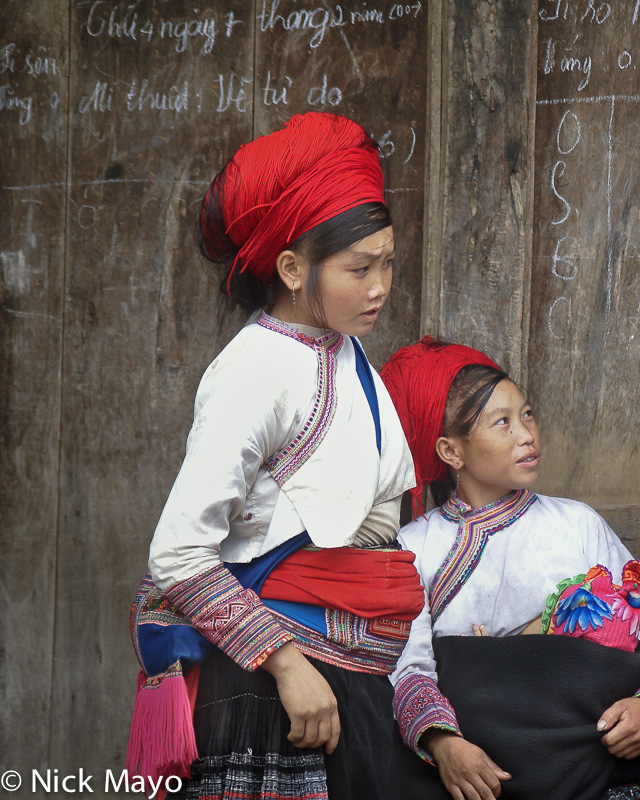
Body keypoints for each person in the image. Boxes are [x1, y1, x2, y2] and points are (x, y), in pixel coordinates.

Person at [125, 112, 425, 800]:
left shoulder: (345, 352)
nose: (380, 285)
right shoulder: (256, 369)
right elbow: (178, 553)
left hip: (348, 682)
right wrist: (286, 666)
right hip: (272, 693)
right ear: (292, 268)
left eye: (387, 263)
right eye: (359, 268)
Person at [381, 339, 640, 800]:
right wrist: (444, 744)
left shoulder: (577, 524)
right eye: (502, 423)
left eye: (527, 414)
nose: (527, 435)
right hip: (476, 779)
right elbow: (409, 667)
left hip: (590, 772)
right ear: (451, 451)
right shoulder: (416, 547)